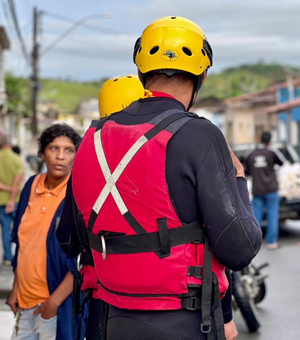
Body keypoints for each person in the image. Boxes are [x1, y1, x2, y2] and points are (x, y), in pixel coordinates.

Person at [71, 16, 262, 340]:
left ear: (141, 71)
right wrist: (239, 180)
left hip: (106, 320)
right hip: (183, 321)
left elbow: (71, 239)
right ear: (201, 74)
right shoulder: (200, 135)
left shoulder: (92, 137)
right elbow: (239, 248)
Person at [57, 74, 145, 340]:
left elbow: (67, 240)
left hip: (105, 301)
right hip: (163, 301)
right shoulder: (165, 152)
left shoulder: (87, 154)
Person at [6, 124, 82, 340]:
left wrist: (54, 302)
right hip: (24, 302)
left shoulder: (78, 194)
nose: (60, 156)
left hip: (54, 306)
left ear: (76, 157)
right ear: (42, 153)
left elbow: (82, 258)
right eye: (53, 148)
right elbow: (22, 243)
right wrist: (15, 288)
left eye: (68, 150)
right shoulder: (31, 185)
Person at [245, 131, 285, 250]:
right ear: (270, 141)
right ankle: (272, 242)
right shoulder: (272, 152)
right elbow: (282, 163)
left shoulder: (250, 153)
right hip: (271, 189)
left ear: (259, 139)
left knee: (256, 216)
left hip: (257, 190)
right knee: (272, 215)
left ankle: (256, 242)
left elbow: (245, 170)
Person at [0, 133, 24, 266]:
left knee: (5, 228)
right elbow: (18, 179)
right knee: (21, 228)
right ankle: (21, 254)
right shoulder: (16, 159)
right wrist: (13, 194)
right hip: (16, 200)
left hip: (2, 200)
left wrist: (8, 190)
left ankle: (8, 257)